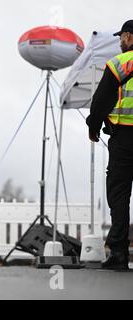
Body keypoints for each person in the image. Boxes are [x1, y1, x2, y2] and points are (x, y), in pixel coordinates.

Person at [86, 20, 133, 270]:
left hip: (125, 140)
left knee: (119, 194)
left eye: (122, 37)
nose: (119, 42)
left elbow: (102, 98)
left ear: (129, 37)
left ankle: (118, 253)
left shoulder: (120, 63)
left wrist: (93, 126)